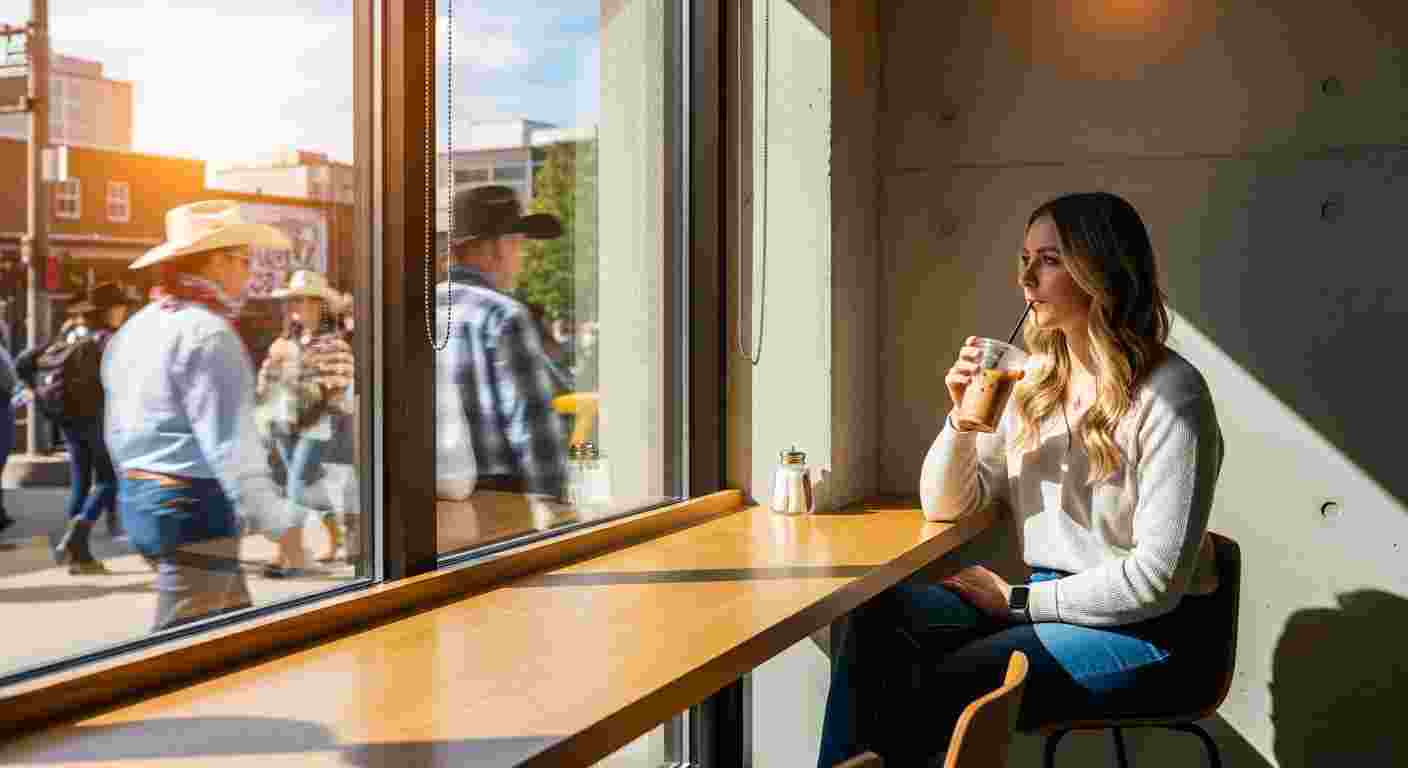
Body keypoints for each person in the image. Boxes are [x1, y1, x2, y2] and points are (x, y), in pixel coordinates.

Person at [817, 192, 1226, 767]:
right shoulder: (1033, 381)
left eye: (1050, 260)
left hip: (1151, 634)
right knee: (878, 621)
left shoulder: (1172, 396)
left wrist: (1016, 601)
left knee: (952, 680)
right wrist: (961, 420)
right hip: (1046, 601)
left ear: (1103, 272)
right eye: (1025, 258)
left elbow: (1156, 582)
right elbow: (946, 506)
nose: (1027, 278)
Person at [103, 200, 290, 630]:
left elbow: (115, 426)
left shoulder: (137, 326)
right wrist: (276, 520)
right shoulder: (209, 334)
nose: (249, 274)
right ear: (216, 262)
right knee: (179, 647)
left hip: (141, 495)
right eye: (244, 261)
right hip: (192, 504)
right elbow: (230, 442)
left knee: (233, 633)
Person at [436, 185, 568, 500]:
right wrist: (558, 510)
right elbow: (537, 438)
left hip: (436, 504)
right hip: (502, 504)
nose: (520, 258)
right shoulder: (503, 316)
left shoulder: (421, 309)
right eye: (518, 245)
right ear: (499, 247)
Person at [256, 270, 355, 572]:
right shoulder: (283, 342)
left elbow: (338, 384)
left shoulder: (334, 343)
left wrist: (305, 395)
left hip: (315, 424)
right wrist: (265, 408)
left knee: (296, 485)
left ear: (318, 304)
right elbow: (265, 380)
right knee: (306, 484)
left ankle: (286, 553)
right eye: (293, 300)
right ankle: (336, 536)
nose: (295, 306)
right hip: (282, 423)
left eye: (301, 300)